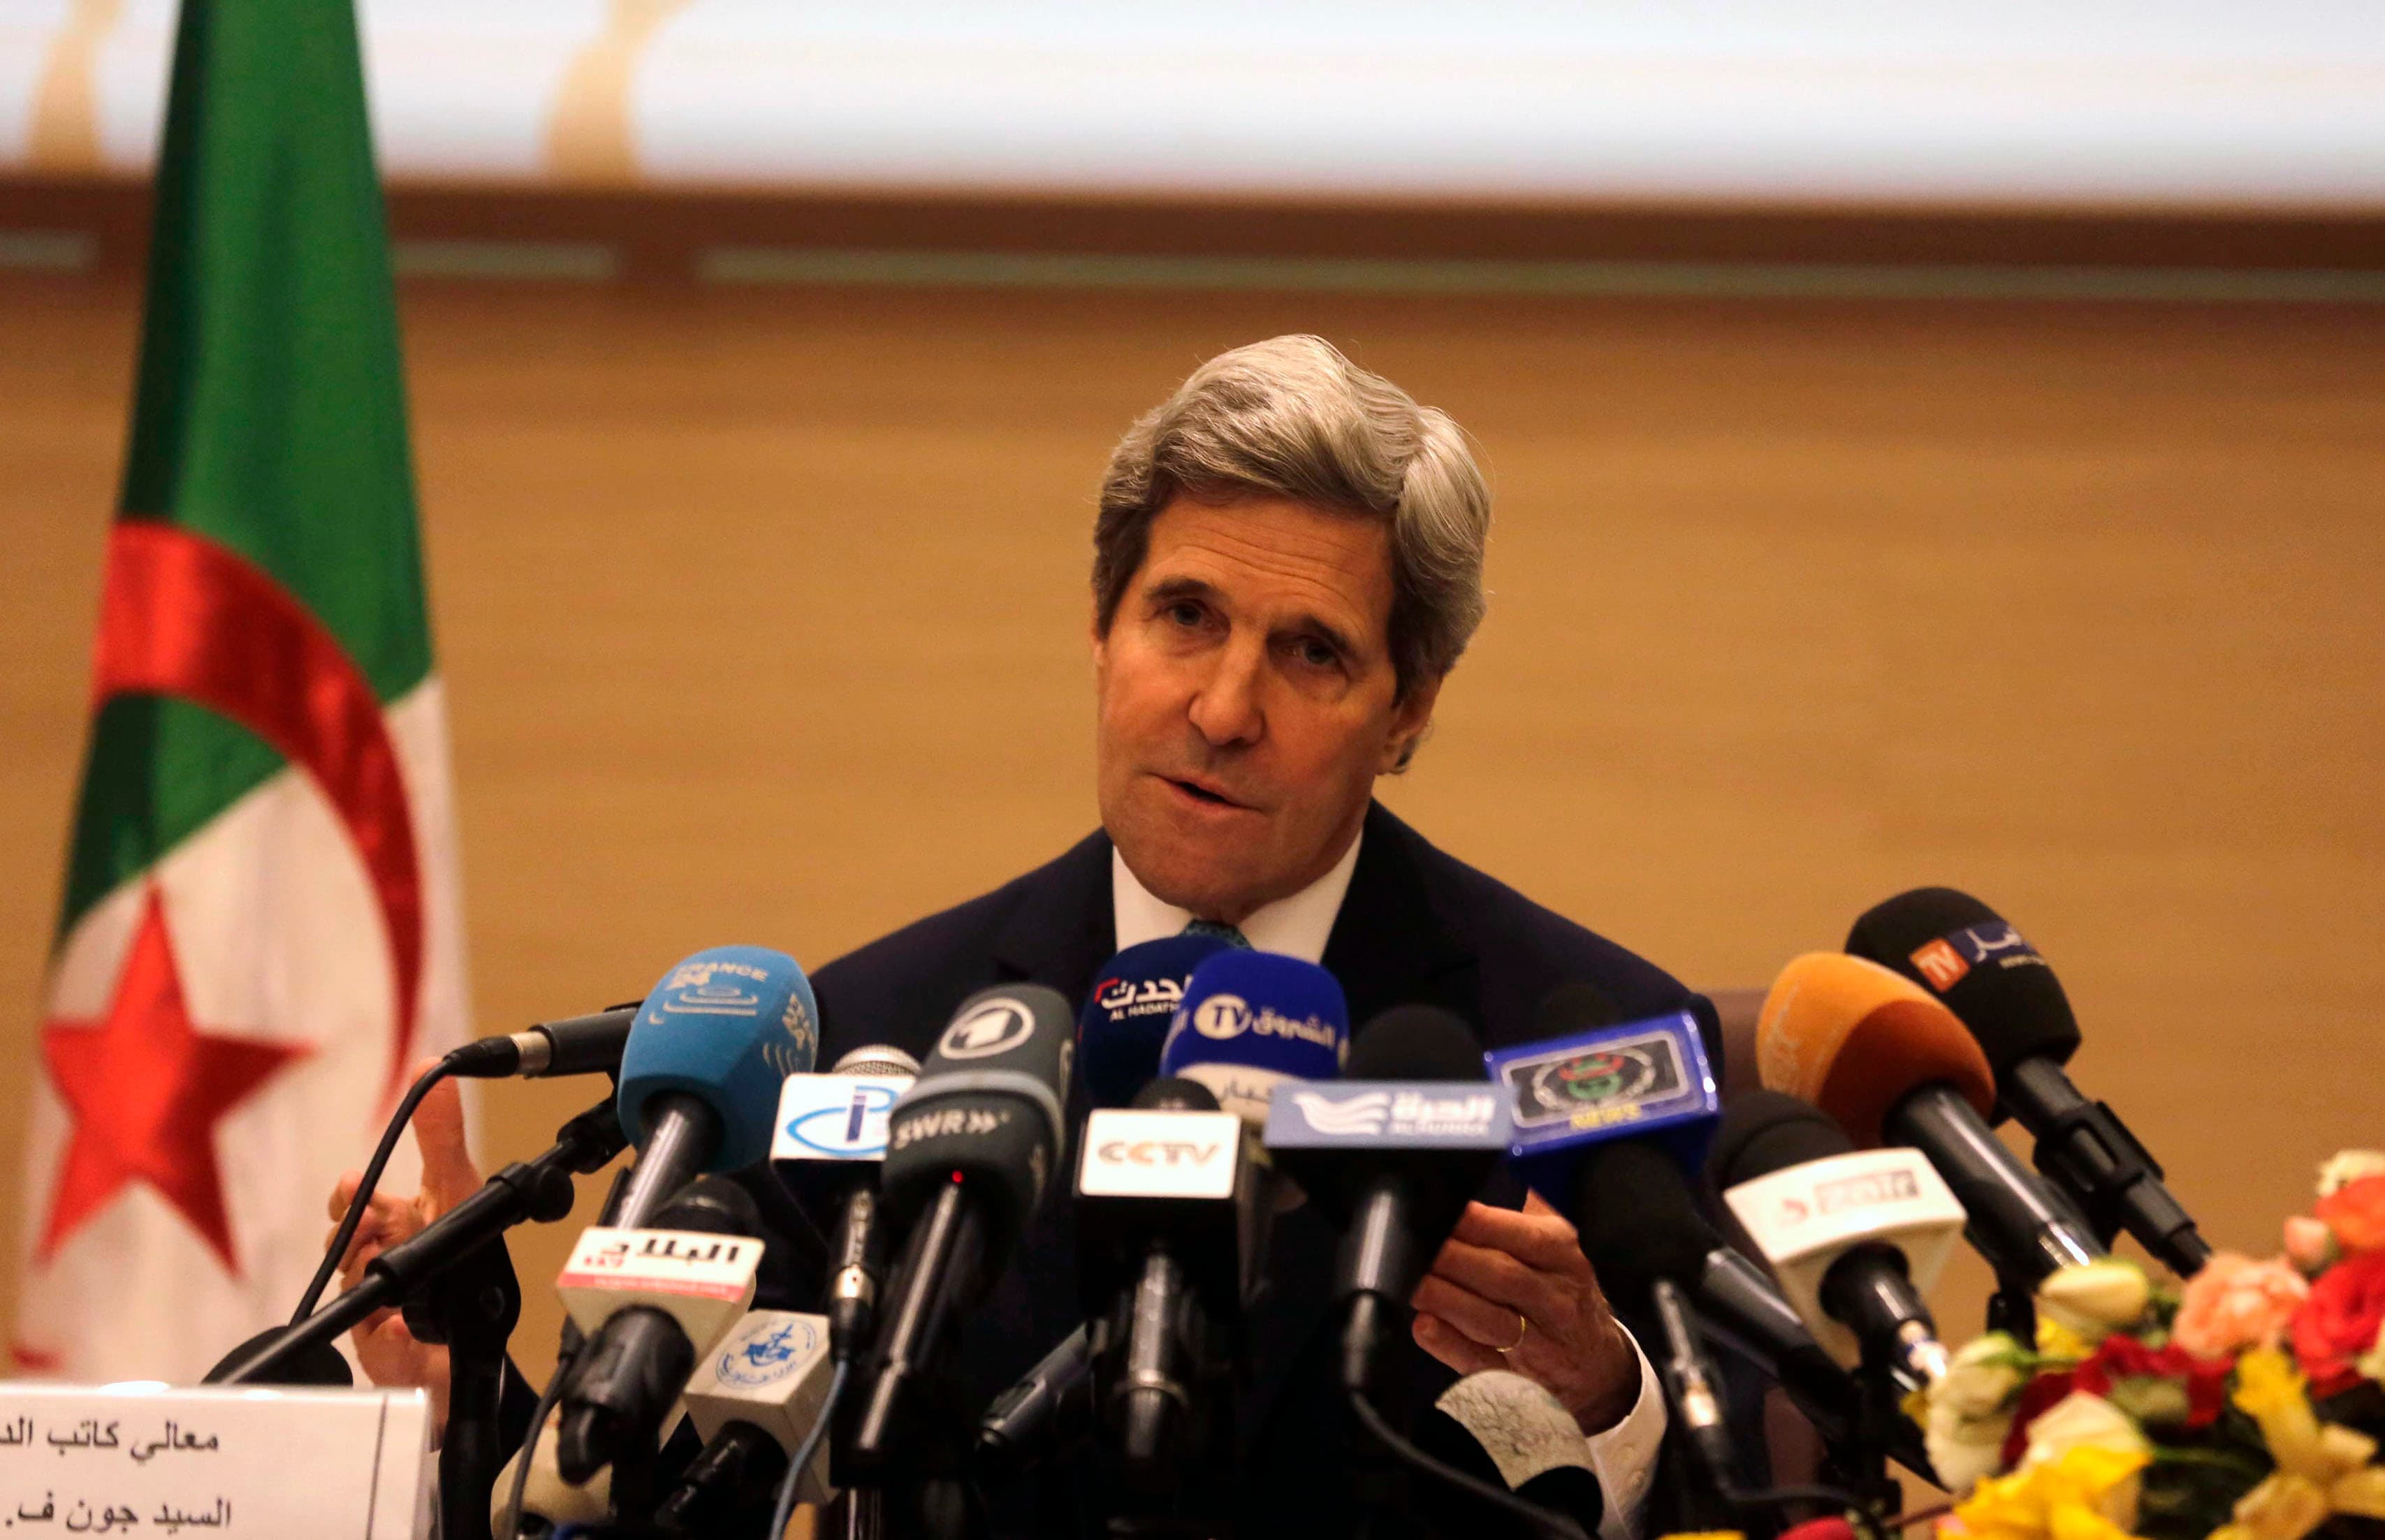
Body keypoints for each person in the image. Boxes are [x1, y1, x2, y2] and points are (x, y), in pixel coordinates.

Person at [328, 336, 1726, 1537]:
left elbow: (1769, 1484)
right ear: (1102, 629)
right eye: (1184, 616)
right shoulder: (882, 1024)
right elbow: (683, 1484)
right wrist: (467, 1391)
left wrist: (1611, 1395)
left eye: (1311, 652)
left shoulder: (1584, 1029)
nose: (1226, 707)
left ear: (1409, 707)